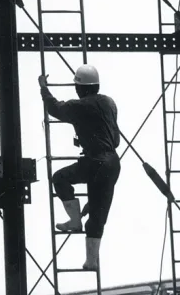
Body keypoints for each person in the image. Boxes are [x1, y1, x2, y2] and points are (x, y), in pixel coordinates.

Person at [38, 64, 121, 271]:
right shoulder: (109, 103)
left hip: (94, 161)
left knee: (60, 178)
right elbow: (116, 139)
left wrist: (43, 88)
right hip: (112, 163)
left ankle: (74, 221)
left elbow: (54, 108)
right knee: (97, 215)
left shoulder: (79, 106)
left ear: (80, 88)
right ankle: (91, 261)